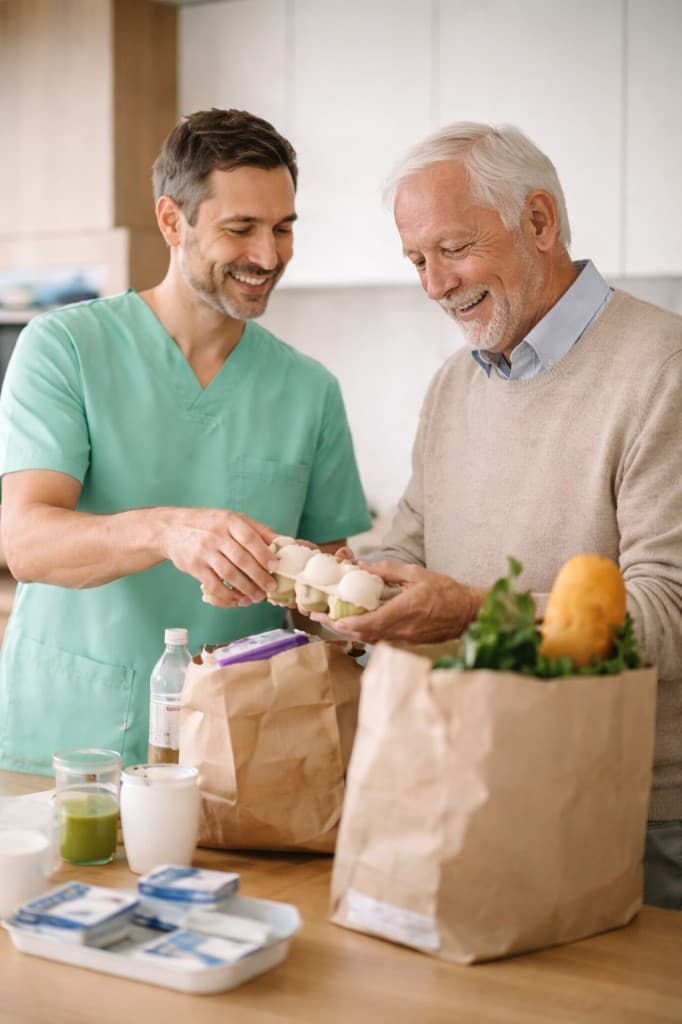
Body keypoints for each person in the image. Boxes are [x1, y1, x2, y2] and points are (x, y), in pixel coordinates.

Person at [314, 122, 682, 909]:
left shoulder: (663, 370)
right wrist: (323, 586)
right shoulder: (455, 384)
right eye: (416, 260)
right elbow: (408, 548)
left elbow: (667, 615)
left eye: (453, 248)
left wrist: (477, 613)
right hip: (478, 783)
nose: (435, 286)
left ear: (540, 222)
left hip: (631, 811)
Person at [0, 108, 371, 774]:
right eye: (241, 229)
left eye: (283, 228)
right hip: (64, 746)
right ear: (173, 221)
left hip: (234, 757)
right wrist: (171, 532)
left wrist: (360, 605)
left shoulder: (309, 389)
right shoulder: (65, 349)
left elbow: (324, 588)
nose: (268, 256)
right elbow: (25, 542)